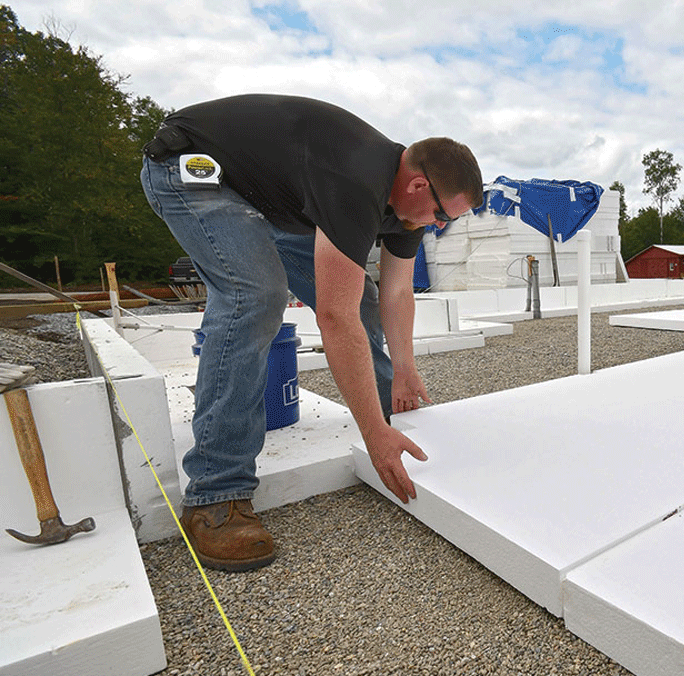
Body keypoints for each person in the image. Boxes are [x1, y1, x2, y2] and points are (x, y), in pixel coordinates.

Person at [140, 94, 483, 571]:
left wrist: (404, 370)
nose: (440, 226)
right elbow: (333, 319)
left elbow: (397, 294)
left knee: (360, 294)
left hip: (270, 199)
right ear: (420, 184)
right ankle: (216, 495)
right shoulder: (355, 179)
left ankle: (394, 425)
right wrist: (369, 433)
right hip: (194, 169)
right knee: (254, 296)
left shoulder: (406, 206)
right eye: (443, 216)